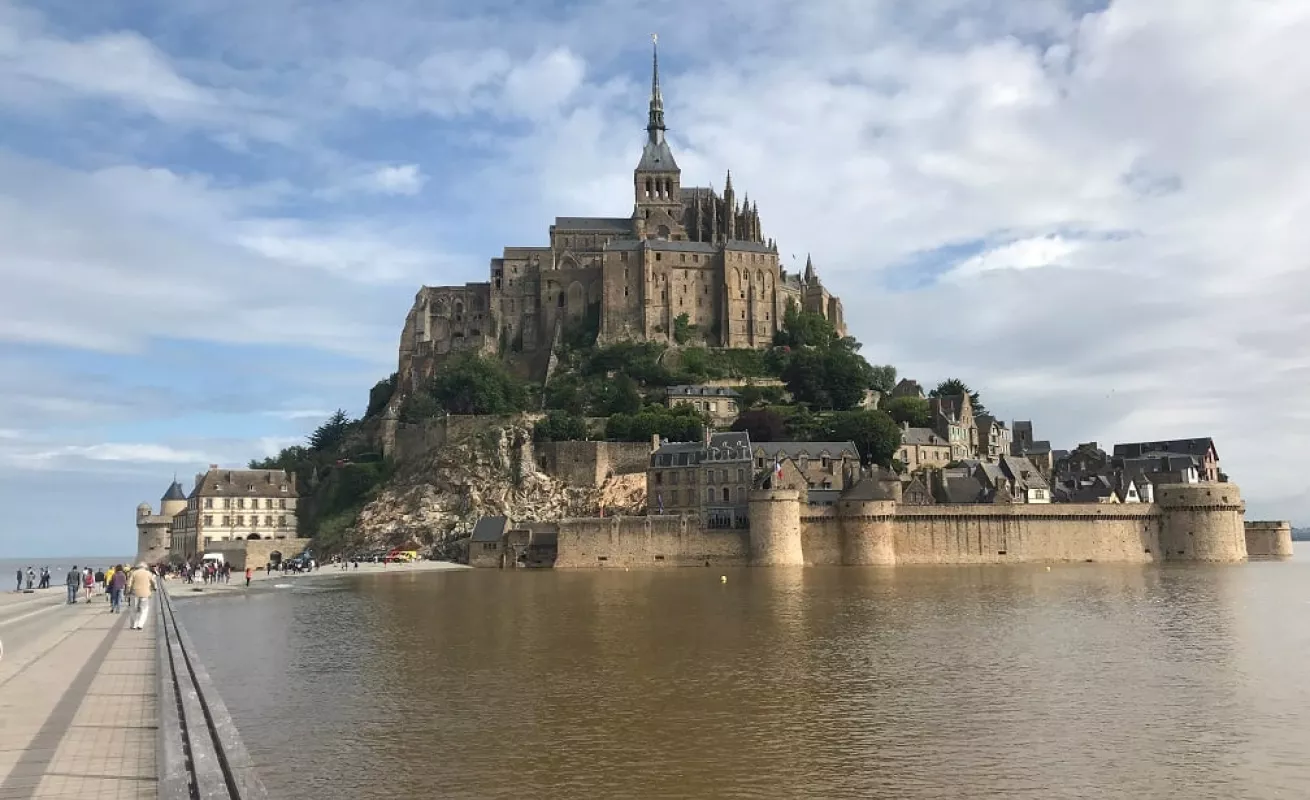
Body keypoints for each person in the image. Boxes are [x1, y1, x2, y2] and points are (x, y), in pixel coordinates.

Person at [127, 563, 155, 630]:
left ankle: (134, 625)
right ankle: (140, 624)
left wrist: (128, 591)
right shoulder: (148, 573)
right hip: (145, 593)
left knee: (133, 609)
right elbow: (153, 582)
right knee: (144, 610)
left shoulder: (134, 573)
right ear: (145, 567)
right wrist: (154, 588)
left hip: (134, 593)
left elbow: (129, 583)